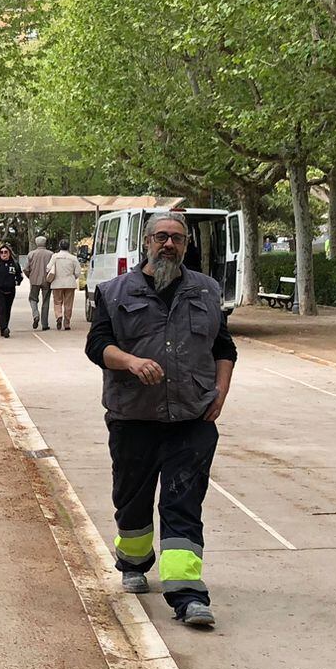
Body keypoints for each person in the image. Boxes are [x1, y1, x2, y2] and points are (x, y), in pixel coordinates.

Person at [84, 213, 237, 631]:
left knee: (182, 503)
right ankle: (133, 560)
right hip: (133, 417)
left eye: (177, 238)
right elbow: (97, 345)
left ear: (186, 245)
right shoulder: (114, 292)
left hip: (192, 417)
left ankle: (187, 595)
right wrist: (130, 362)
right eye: (161, 237)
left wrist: (221, 391)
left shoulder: (206, 291)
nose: (168, 244)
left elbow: (224, 346)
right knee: (131, 504)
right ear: (146, 242)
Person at [24, 234, 54, 331]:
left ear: (36, 243)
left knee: (33, 299)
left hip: (34, 280)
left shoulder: (31, 254)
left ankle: (35, 314)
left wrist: (30, 276)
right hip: (47, 280)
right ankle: (44, 324)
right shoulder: (50, 254)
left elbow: (26, 268)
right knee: (46, 301)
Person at [50, 241, 81, 332]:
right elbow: (78, 272)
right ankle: (67, 322)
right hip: (70, 283)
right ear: (68, 247)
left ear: (59, 246)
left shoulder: (55, 257)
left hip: (57, 283)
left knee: (57, 302)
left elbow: (48, 267)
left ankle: (59, 316)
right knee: (68, 304)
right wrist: (73, 277)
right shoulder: (73, 258)